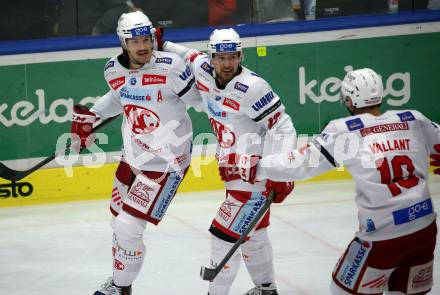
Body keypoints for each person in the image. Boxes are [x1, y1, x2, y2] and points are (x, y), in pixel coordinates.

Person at [220, 68, 440, 295]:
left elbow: (301, 163)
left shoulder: (345, 130)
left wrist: (254, 166)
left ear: (349, 99)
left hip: (383, 237)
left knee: (341, 289)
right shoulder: (414, 119)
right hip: (424, 230)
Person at [70, 11, 202, 295]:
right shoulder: (112, 69)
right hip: (133, 157)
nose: (142, 46)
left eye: (147, 39)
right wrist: (90, 117)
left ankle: (119, 287)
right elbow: (120, 96)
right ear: (122, 43)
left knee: (128, 226)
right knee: (117, 218)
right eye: (135, 41)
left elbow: (202, 101)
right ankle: (123, 281)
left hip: (167, 163)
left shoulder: (171, 67)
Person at [162, 28, 295, 295]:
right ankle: (266, 289)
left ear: (240, 56)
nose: (227, 63)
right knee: (254, 237)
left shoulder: (253, 88)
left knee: (222, 237)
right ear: (212, 57)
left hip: (254, 176)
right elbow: (189, 55)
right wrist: (161, 43)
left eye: (232, 57)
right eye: (221, 57)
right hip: (234, 173)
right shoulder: (202, 69)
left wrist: (280, 170)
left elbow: (283, 125)